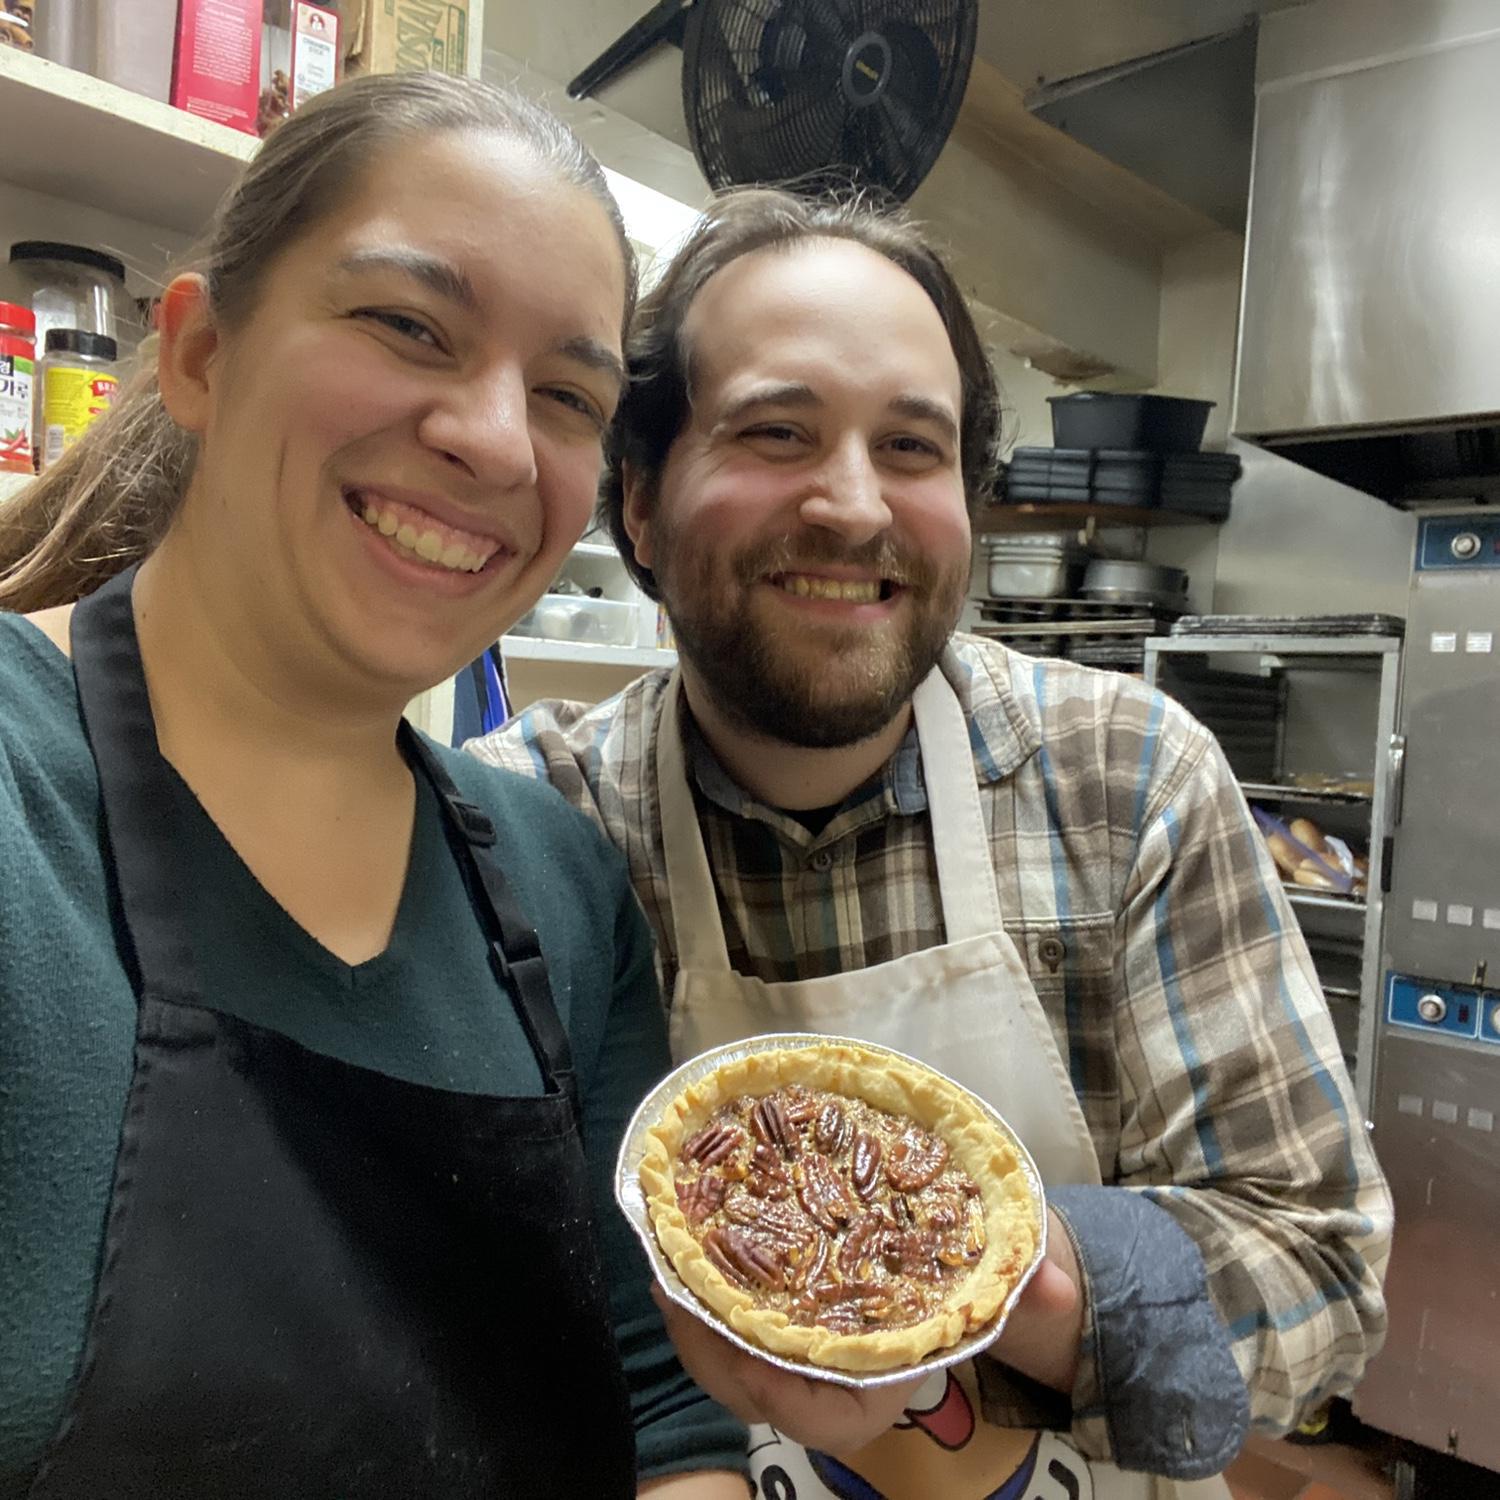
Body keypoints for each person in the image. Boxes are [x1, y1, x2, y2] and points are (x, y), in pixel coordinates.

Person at [468, 188, 1395, 1500]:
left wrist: (959, 1268)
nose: (853, 507)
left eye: (913, 448)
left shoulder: (1127, 784)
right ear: (640, 501)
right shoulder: (525, 827)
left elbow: (1321, 1273)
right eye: (777, 431)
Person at [0, 72, 751, 1498]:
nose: (492, 438)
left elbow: (666, 1422)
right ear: (202, 354)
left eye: (568, 395)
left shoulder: (562, 892)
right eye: (410, 325)